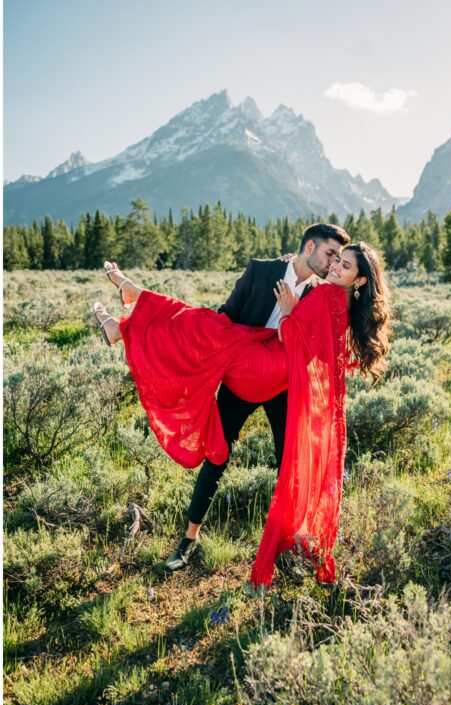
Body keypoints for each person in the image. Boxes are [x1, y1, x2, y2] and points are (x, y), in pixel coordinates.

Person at [93, 241, 392, 587]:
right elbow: (234, 311)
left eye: (343, 263)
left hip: (273, 377)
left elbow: (300, 337)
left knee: (202, 329)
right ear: (310, 246)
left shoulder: (323, 293)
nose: (334, 266)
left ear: (358, 280)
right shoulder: (273, 273)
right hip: (254, 371)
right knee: (209, 332)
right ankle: (191, 538)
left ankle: (126, 317)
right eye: (332, 256)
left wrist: (290, 311)